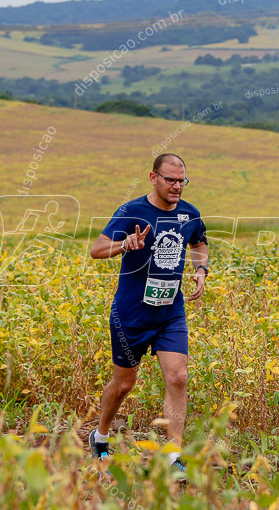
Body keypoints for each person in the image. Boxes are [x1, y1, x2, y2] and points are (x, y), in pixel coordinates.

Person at [88, 153, 208, 474]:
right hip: (131, 314)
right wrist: (125, 244)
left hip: (170, 313)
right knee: (124, 385)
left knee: (178, 377)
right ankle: (100, 436)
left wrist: (201, 269)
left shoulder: (190, 214)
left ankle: (172, 456)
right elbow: (97, 250)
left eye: (182, 180)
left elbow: (199, 243)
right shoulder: (131, 212)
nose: (177, 186)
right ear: (153, 178)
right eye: (170, 179)